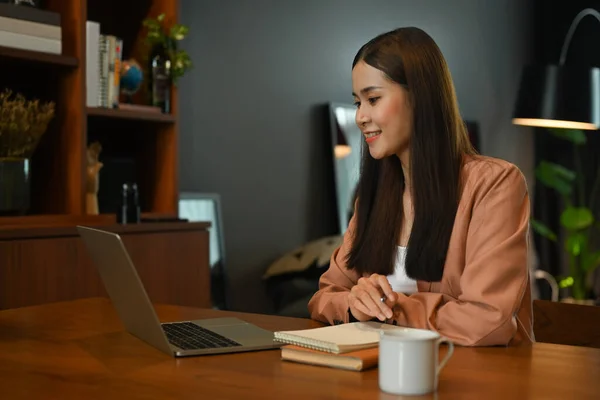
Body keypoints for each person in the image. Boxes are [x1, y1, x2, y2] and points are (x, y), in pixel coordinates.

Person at [307, 27, 533, 347]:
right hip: (381, 375)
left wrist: (392, 308)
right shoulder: (373, 196)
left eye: (373, 99)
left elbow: (488, 320)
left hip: (478, 380)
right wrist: (355, 304)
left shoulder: (494, 185)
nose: (360, 116)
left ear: (420, 98)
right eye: (357, 102)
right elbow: (325, 296)